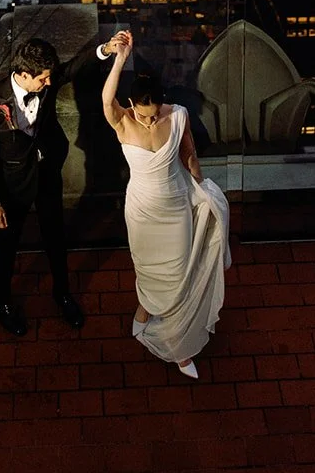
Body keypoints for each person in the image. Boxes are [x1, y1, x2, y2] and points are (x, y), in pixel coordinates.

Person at [0, 30, 127, 336]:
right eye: (43, 78)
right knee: (7, 245)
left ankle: (63, 294)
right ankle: (1, 302)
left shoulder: (47, 81)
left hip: (46, 174)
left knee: (55, 238)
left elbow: (72, 68)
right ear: (23, 74)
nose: (48, 83)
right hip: (13, 182)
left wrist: (106, 49)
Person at [101, 30, 231, 379]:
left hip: (175, 207)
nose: (149, 119)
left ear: (161, 103)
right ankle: (144, 312)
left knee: (177, 274)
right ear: (131, 107)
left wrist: (202, 189)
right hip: (142, 210)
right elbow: (106, 97)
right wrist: (119, 60)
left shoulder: (177, 115)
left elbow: (189, 155)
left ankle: (178, 345)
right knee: (147, 269)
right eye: (143, 114)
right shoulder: (122, 121)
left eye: (153, 113)